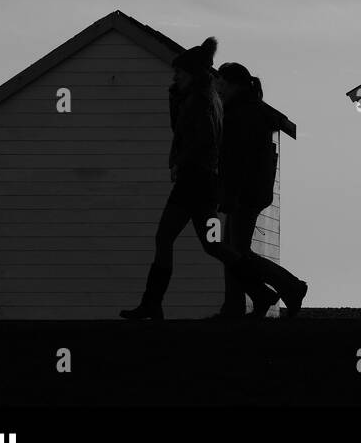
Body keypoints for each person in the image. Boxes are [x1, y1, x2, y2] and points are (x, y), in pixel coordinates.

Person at [120, 37, 282, 321]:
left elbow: (196, 142)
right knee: (214, 246)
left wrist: (181, 163)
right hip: (203, 182)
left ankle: (152, 303)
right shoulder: (206, 100)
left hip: (193, 180)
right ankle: (259, 292)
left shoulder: (200, 104)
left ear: (192, 75)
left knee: (165, 237)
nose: (175, 77)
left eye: (179, 73)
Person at [214, 62, 308, 318]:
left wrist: (229, 194)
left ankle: (289, 286)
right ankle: (250, 300)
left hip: (244, 193)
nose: (218, 89)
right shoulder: (251, 111)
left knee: (235, 251)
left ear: (233, 84)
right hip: (251, 192)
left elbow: (237, 160)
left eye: (221, 84)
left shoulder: (241, 114)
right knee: (232, 249)